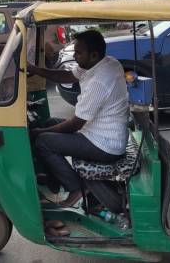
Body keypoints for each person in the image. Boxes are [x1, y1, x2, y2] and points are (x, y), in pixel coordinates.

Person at [28, 30, 129, 207]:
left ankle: (76, 189)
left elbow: (75, 124)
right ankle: (54, 178)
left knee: (43, 141)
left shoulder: (100, 81)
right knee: (50, 123)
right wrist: (35, 70)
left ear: (94, 55)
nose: (74, 56)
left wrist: (38, 133)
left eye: (78, 52)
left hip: (105, 145)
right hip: (99, 131)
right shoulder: (104, 63)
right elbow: (67, 76)